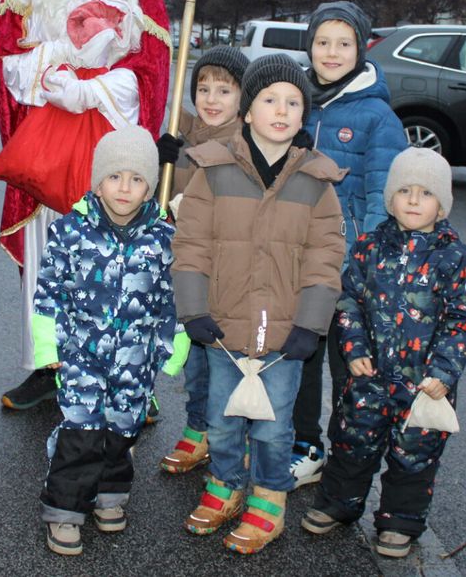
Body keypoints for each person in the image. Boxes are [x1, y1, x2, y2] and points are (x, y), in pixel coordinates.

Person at [0, 0, 170, 411]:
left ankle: (127, 373)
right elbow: (5, 63)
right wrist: (57, 66)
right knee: (50, 258)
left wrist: (94, 88)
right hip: (48, 149)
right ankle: (49, 365)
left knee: (120, 264)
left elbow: (153, 71)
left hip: (113, 151)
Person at [172, 55, 346, 555]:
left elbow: (325, 257)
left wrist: (311, 324)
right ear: (248, 111)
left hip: (285, 335)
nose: (282, 110)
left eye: (293, 102)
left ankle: (268, 501)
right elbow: (192, 245)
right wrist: (194, 310)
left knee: (273, 430)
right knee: (222, 420)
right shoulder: (214, 170)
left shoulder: (315, 181)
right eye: (270, 99)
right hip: (223, 328)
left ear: (304, 114)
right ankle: (225, 485)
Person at [302, 148, 466, 558]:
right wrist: (353, 348)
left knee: (415, 455)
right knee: (351, 442)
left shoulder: (456, 258)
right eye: (405, 191)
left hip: (424, 386)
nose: (414, 200)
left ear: (443, 204)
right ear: (390, 198)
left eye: (426, 193)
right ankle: (338, 504)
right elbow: (348, 302)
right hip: (367, 378)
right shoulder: (368, 248)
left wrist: (444, 372)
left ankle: (400, 521)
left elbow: (465, 318)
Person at [34, 127, 185, 555]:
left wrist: (173, 348)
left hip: (135, 359)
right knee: (81, 430)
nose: (124, 188)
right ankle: (65, 510)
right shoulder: (70, 231)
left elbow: (171, 299)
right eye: (114, 177)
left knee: (123, 428)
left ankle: (110, 492)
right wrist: (48, 347)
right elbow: (48, 293)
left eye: (136, 179)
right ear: (97, 182)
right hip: (81, 354)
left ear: (149, 188)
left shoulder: (163, 238)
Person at [290, 0, 408, 489]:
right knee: (300, 356)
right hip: (295, 257)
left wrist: (366, 263)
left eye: (344, 43)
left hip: (346, 264)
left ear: (361, 49)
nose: (332, 52)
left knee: (348, 363)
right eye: (322, 42)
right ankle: (304, 444)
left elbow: (385, 194)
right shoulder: (294, 100)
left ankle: (345, 453)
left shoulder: (377, 116)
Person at [154, 45, 248, 475]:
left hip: (225, 272)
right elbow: (163, 199)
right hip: (188, 270)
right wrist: (162, 161)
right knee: (193, 359)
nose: (211, 99)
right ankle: (198, 427)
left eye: (224, 91)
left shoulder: (243, 142)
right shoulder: (183, 132)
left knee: (221, 360)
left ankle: (225, 433)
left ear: (243, 97)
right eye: (204, 89)